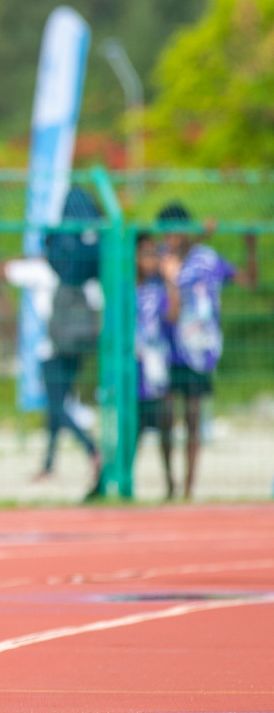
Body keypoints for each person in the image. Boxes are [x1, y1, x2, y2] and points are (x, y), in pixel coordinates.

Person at [157, 202, 257, 500]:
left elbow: (249, 282)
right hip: (166, 351)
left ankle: (188, 489)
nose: (172, 237)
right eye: (167, 232)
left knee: (192, 417)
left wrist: (250, 248)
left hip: (198, 352)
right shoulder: (161, 260)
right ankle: (169, 485)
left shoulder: (207, 259)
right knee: (164, 418)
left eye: (178, 230)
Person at [34, 187, 102, 489]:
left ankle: (91, 448)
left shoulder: (53, 261)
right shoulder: (94, 256)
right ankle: (48, 464)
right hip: (79, 339)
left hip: (53, 344)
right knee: (57, 404)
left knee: (56, 406)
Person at [116, 232, 177, 500]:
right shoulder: (125, 288)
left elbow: (173, 315)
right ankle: (125, 482)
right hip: (133, 369)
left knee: (165, 423)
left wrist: (170, 280)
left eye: (154, 254)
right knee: (133, 428)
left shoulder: (158, 289)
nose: (150, 259)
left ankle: (171, 484)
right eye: (145, 254)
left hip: (157, 367)